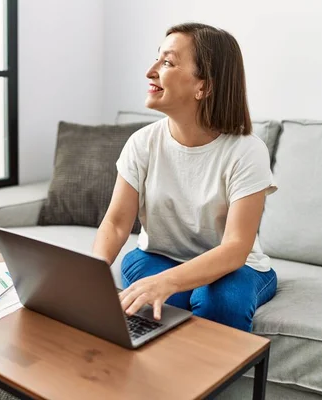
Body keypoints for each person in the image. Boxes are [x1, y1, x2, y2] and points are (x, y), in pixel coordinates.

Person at [92, 22, 278, 332]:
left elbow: (235, 248)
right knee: (158, 304)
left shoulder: (247, 151)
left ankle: (209, 380)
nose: (151, 71)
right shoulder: (142, 142)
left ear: (203, 87)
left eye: (167, 62)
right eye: (157, 59)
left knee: (219, 303)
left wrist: (168, 282)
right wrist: (93, 272)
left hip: (236, 267)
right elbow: (116, 223)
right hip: (157, 255)